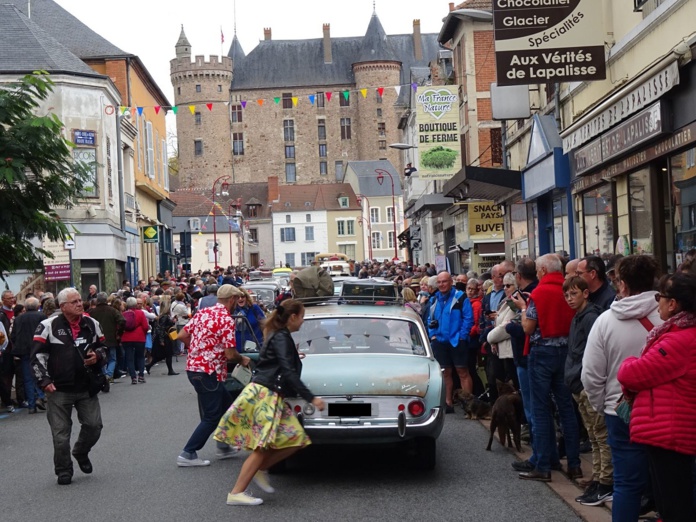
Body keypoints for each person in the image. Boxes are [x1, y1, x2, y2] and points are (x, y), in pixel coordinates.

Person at [213, 299, 325, 506]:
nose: (302, 321)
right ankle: (237, 492)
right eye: (302, 317)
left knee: (297, 439)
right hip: (268, 393)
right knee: (262, 447)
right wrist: (311, 398)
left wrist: (292, 356)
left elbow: (276, 362)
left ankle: (259, 470)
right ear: (293, 317)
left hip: (270, 392)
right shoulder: (281, 337)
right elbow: (287, 372)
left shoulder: (278, 335)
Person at [582, 255, 662, 521]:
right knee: (673, 481)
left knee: (626, 485)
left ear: (623, 283)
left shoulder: (605, 321)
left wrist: (603, 404)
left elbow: (591, 375)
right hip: (667, 410)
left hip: (621, 411)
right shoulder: (670, 316)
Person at [617, 272, 696, 522]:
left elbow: (631, 374)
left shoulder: (678, 339)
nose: (657, 302)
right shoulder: (680, 333)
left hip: (671, 434)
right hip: (671, 430)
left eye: (660, 297)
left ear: (673, 304)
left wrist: (631, 359)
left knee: (674, 504)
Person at [510, 254, 581, 483]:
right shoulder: (569, 290)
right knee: (566, 408)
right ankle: (574, 464)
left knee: (541, 410)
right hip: (566, 352)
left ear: (541, 270)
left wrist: (523, 308)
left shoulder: (539, 293)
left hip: (542, 352)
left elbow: (529, 328)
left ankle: (542, 465)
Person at [31, 287, 107, 485]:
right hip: (58, 389)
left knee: (94, 426)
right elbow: (37, 357)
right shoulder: (47, 325)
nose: (80, 304)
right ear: (63, 306)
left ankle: (81, 452)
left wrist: (97, 356)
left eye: (80, 300)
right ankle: (63, 470)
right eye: (74, 302)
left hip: (86, 386)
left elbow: (105, 348)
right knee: (60, 435)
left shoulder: (92, 323)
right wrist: (44, 381)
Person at [176, 284, 250, 467]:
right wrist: (242, 360)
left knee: (227, 407)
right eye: (236, 300)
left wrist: (197, 348)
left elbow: (181, 335)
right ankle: (188, 452)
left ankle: (223, 446)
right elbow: (230, 354)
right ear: (232, 299)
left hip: (195, 368)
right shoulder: (225, 319)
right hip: (209, 371)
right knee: (211, 415)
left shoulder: (202, 313)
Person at [562, 276, 611, 506]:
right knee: (593, 434)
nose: (569, 299)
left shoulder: (591, 317)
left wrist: (583, 379)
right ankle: (598, 477)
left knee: (600, 435)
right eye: (567, 295)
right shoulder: (579, 316)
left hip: (586, 383)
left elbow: (593, 352)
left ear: (585, 293)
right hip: (576, 381)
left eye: (573, 294)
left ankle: (605, 481)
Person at [427, 271, 474, 412]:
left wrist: (462, 336)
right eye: (439, 282)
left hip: (457, 341)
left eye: (444, 281)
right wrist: (433, 335)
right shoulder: (434, 298)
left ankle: (469, 405)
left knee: (462, 372)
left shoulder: (460, 297)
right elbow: (429, 319)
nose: (441, 284)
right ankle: (448, 403)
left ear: (451, 282)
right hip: (440, 341)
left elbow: (468, 318)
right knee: (445, 372)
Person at [10, 297, 48, 413]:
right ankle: (40, 397)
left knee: (28, 378)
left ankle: (31, 404)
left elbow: (14, 336)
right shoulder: (41, 316)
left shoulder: (18, 319)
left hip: (24, 350)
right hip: (39, 348)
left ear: (25, 307)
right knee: (40, 373)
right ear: (37, 306)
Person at [486, 272, 521, 386]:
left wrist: (490, 338)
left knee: (514, 385)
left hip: (511, 351)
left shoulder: (516, 303)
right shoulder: (506, 301)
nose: (505, 288)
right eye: (504, 285)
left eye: (508, 285)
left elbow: (505, 327)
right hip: (503, 351)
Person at [89, 292, 125, 384]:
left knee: (101, 358)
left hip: (97, 339)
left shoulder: (92, 312)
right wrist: (118, 333)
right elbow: (122, 321)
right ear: (106, 300)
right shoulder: (112, 310)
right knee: (112, 358)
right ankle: (109, 375)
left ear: (97, 300)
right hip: (111, 338)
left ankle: (104, 375)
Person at [146, 296, 178, 376]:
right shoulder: (164, 316)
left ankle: (150, 366)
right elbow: (161, 328)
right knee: (167, 354)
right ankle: (170, 370)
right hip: (164, 337)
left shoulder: (163, 316)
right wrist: (161, 340)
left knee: (163, 355)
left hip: (164, 337)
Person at [121, 297, 149, 385]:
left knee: (129, 358)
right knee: (140, 356)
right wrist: (143, 333)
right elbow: (145, 326)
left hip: (126, 338)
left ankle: (133, 377)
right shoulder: (140, 313)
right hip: (139, 337)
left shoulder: (123, 314)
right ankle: (141, 375)